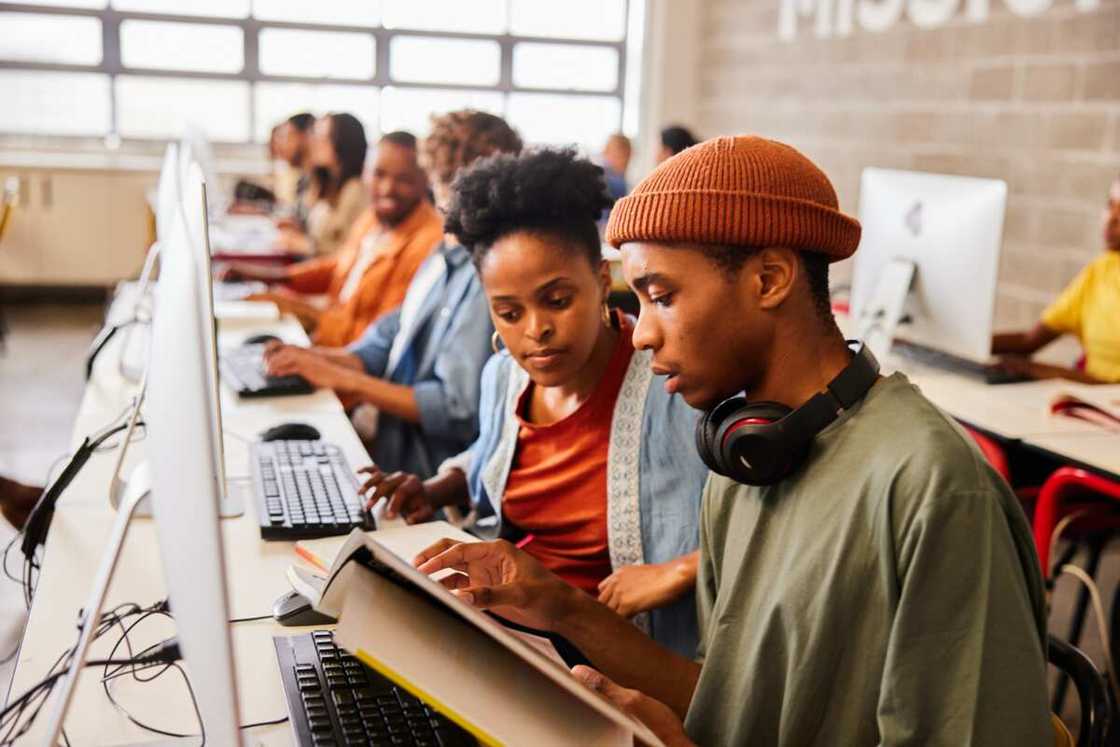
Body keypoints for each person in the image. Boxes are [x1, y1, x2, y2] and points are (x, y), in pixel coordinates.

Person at [411, 136, 1052, 746]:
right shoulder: (744, 458)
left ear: (770, 279)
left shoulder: (932, 487)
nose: (639, 334)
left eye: (661, 296)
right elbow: (720, 703)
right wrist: (556, 605)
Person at [359, 148, 707, 656]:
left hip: (611, 652)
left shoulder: (674, 385)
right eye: (508, 312)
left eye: (557, 301)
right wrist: (435, 489)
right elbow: (493, 456)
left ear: (601, 278)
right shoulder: (504, 376)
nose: (536, 330)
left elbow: (771, 522)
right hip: (513, 631)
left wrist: (682, 568)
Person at [263, 110, 523, 478]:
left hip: (423, 476)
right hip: (389, 450)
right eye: (444, 181)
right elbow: (388, 337)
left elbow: (456, 408)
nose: (448, 197)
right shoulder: (444, 253)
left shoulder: (489, 276)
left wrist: (345, 380)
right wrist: (315, 359)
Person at [222, 132, 443, 347]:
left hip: (346, 355)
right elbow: (338, 267)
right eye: (379, 174)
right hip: (329, 330)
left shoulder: (427, 243)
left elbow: (374, 341)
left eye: (403, 179)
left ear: (425, 181)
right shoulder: (374, 218)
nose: (387, 188)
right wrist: (270, 276)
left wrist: (301, 310)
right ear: (367, 173)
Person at [991, 173, 1120, 383]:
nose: (1111, 218)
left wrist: (1059, 374)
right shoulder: (1100, 271)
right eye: (1110, 205)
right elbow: (1028, 341)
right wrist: (958, 342)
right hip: (1083, 407)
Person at [278, 112, 369, 257]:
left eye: (323, 138)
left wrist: (306, 246)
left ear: (343, 143)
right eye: (316, 136)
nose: (314, 143)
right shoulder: (329, 184)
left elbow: (350, 252)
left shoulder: (354, 190)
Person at [272, 112, 315, 216]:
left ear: (305, 138)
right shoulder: (304, 177)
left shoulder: (319, 181)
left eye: (287, 137)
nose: (281, 145)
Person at [601, 133, 631, 203]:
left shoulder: (621, 179)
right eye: (620, 155)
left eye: (627, 155)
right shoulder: (613, 182)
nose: (625, 160)